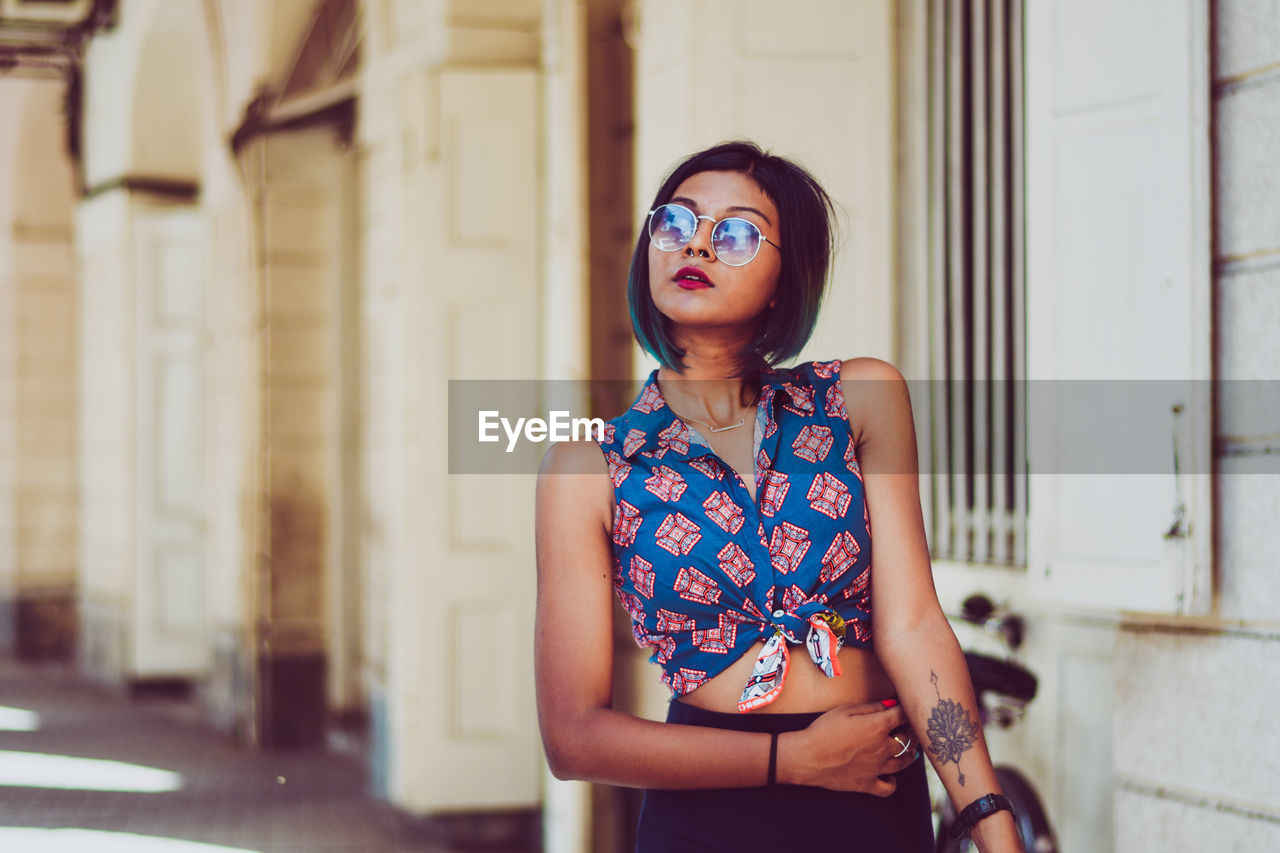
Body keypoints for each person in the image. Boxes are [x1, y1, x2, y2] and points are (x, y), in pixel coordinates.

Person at [534, 140, 1024, 852]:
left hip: (873, 795)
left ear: (782, 280)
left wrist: (987, 813)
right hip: (706, 820)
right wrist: (792, 761)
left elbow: (913, 624)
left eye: (734, 233)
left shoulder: (859, 400)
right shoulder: (591, 467)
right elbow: (573, 737)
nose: (696, 243)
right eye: (675, 223)